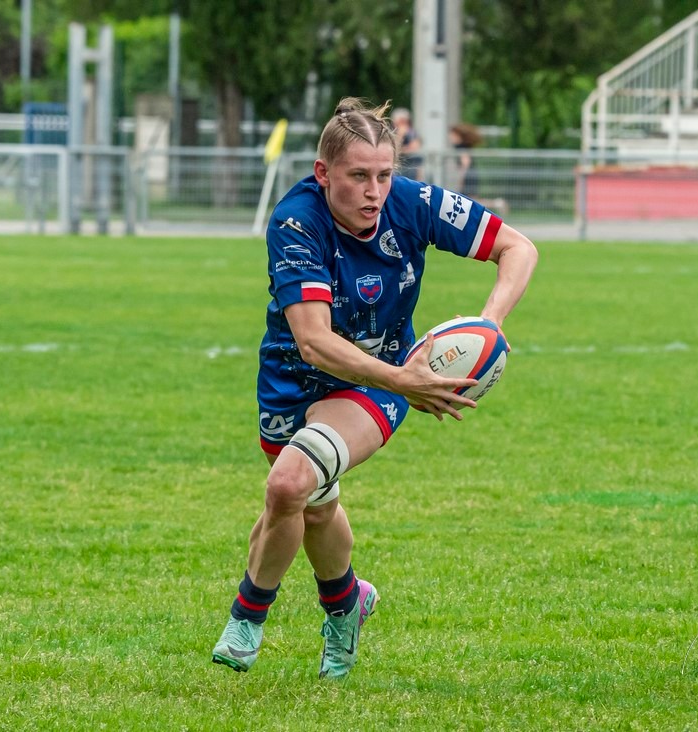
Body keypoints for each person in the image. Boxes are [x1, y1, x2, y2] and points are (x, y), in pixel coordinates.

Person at [210, 97, 538, 679]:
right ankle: (348, 602)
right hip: (295, 379)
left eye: (384, 175)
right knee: (311, 505)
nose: (374, 191)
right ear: (323, 173)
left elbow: (518, 248)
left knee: (289, 483)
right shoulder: (295, 221)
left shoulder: (412, 204)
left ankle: (247, 618)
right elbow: (312, 341)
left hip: (376, 380)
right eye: (359, 176)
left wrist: (489, 325)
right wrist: (408, 380)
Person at [390, 107, 423, 179]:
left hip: (412, 166)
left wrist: (402, 149)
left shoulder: (412, 132)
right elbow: (394, 148)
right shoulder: (392, 133)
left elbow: (415, 147)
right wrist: (400, 135)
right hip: (398, 167)